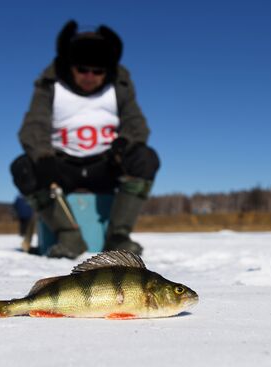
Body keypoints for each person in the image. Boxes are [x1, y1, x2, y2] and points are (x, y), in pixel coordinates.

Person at [10, 20, 160, 259]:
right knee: (23, 167)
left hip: (107, 164)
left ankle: (118, 236)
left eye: (97, 71)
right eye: (82, 69)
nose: (90, 76)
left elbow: (136, 124)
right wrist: (44, 157)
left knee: (146, 158)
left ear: (107, 70)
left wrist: (124, 143)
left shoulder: (119, 86)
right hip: (61, 168)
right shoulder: (51, 86)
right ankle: (68, 235)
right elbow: (33, 127)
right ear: (70, 66)